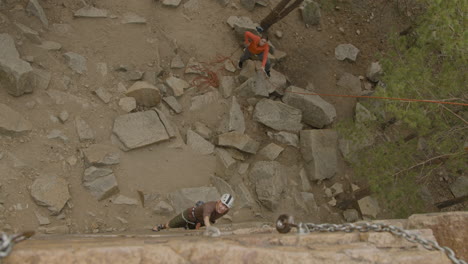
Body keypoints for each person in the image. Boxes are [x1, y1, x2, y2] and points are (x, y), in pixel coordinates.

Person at [152, 193, 234, 232]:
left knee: (191, 231)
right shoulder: (209, 206)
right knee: (171, 225)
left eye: (226, 206)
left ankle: (188, 227)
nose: (223, 208)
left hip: (199, 221)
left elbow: (210, 218)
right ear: (218, 201)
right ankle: (162, 226)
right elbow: (206, 218)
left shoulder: (226, 211)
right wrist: (209, 227)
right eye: (222, 204)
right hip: (189, 214)